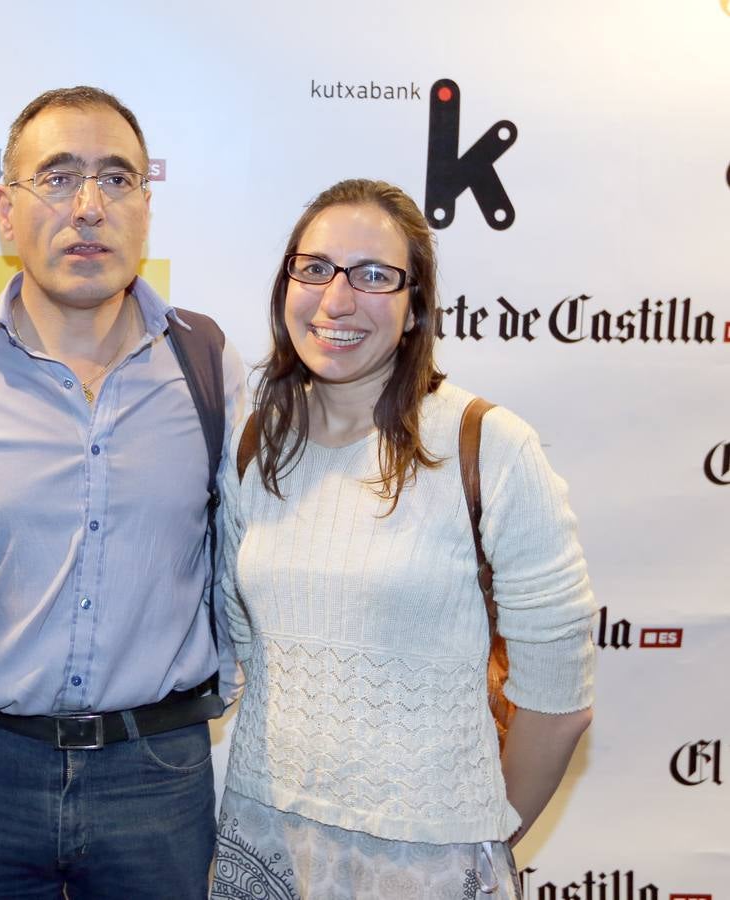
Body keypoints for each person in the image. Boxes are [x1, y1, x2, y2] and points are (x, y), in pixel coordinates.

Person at [0, 85, 245, 899]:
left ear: (146, 208)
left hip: (156, 774)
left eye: (115, 179)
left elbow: (229, 559)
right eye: (57, 178)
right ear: (5, 212)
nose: (88, 207)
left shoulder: (210, 367)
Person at [213, 179, 595, 898]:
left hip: (426, 863)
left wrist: (474, 840)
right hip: (265, 843)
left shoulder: (491, 447)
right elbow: (243, 651)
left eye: (374, 276)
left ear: (416, 305)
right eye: (315, 268)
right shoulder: (258, 444)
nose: (336, 299)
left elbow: (559, 701)